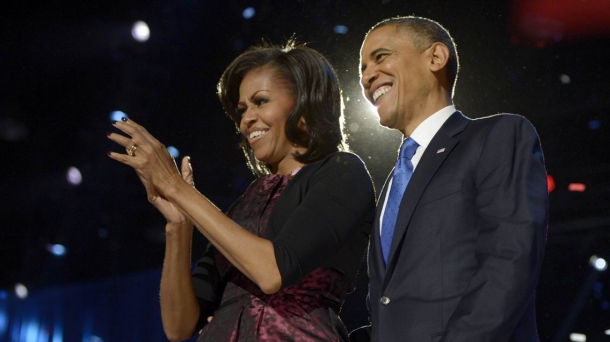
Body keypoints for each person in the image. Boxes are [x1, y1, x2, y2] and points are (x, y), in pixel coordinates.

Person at [107, 41, 375, 341]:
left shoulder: (342, 171)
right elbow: (178, 325)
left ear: (304, 103)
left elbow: (272, 272)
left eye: (260, 101)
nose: (246, 119)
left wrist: (175, 186)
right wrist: (179, 225)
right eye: (242, 109)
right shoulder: (247, 202)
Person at [352, 16, 548, 341]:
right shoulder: (393, 182)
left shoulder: (498, 135)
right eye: (361, 68)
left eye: (380, 57)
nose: (367, 76)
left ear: (435, 58)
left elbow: (509, 260)